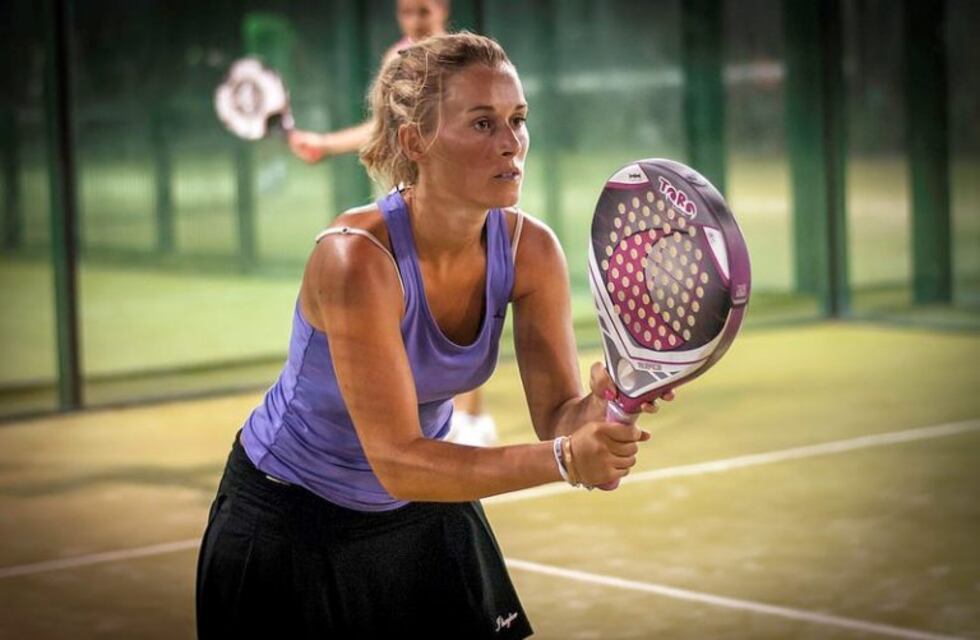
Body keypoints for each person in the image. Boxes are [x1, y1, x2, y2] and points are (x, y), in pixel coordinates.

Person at [196, 32, 671, 638]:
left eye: (518, 120)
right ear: (413, 141)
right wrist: (564, 461)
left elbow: (558, 415)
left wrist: (606, 403)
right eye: (482, 124)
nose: (511, 145)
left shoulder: (532, 252)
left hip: (426, 509)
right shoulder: (356, 261)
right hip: (289, 524)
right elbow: (398, 459)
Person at [289, 0, 497, 446]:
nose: (415, 19)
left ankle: (472, 420)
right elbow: (381, 129)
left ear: (442, 8)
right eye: (406, 11)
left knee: (468, 302)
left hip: (462, 205)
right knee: (411, 310)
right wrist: (325, 144)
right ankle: (423, 418)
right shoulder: (398, 62)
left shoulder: (468, 60)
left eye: (422, 9)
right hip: (411, 207)